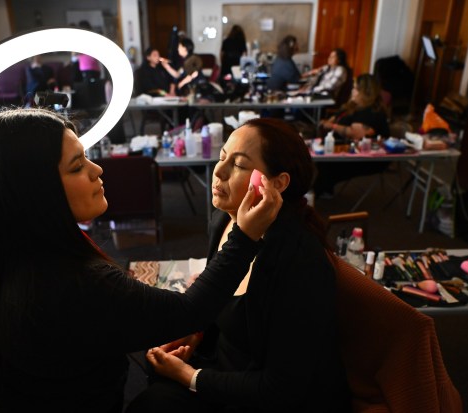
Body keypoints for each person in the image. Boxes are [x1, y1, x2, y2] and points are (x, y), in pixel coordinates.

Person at [0, 107, 283, 413]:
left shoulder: (8, 254)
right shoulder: (74, 283)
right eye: (77, 166)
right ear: (36, 191)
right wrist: (243, 236)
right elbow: (189, 312)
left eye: (86, 158)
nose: (97, 169)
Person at [126, 118, 351, 413]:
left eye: (240, 165)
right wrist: (195, 335)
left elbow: (283, 389)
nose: (218, 171)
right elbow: (215, 300)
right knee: (152, 381)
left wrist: (187, 375)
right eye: (222, 157)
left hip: (273, 397)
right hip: (227, 367)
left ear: (278, 183)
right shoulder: (225, 220)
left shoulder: (299, 262)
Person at [314, 74, 391, 198]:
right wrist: (331, 121)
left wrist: (332, 126)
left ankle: (317, 192)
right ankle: (322, 190)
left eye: (355, 89)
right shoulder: (354, 105)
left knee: (326, 164)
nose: (352, 91)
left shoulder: (372, 111)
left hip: (369, 157)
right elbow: (337, 117)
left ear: (365, 92)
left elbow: (356, 133)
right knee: (319, 161)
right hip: (349, 147)